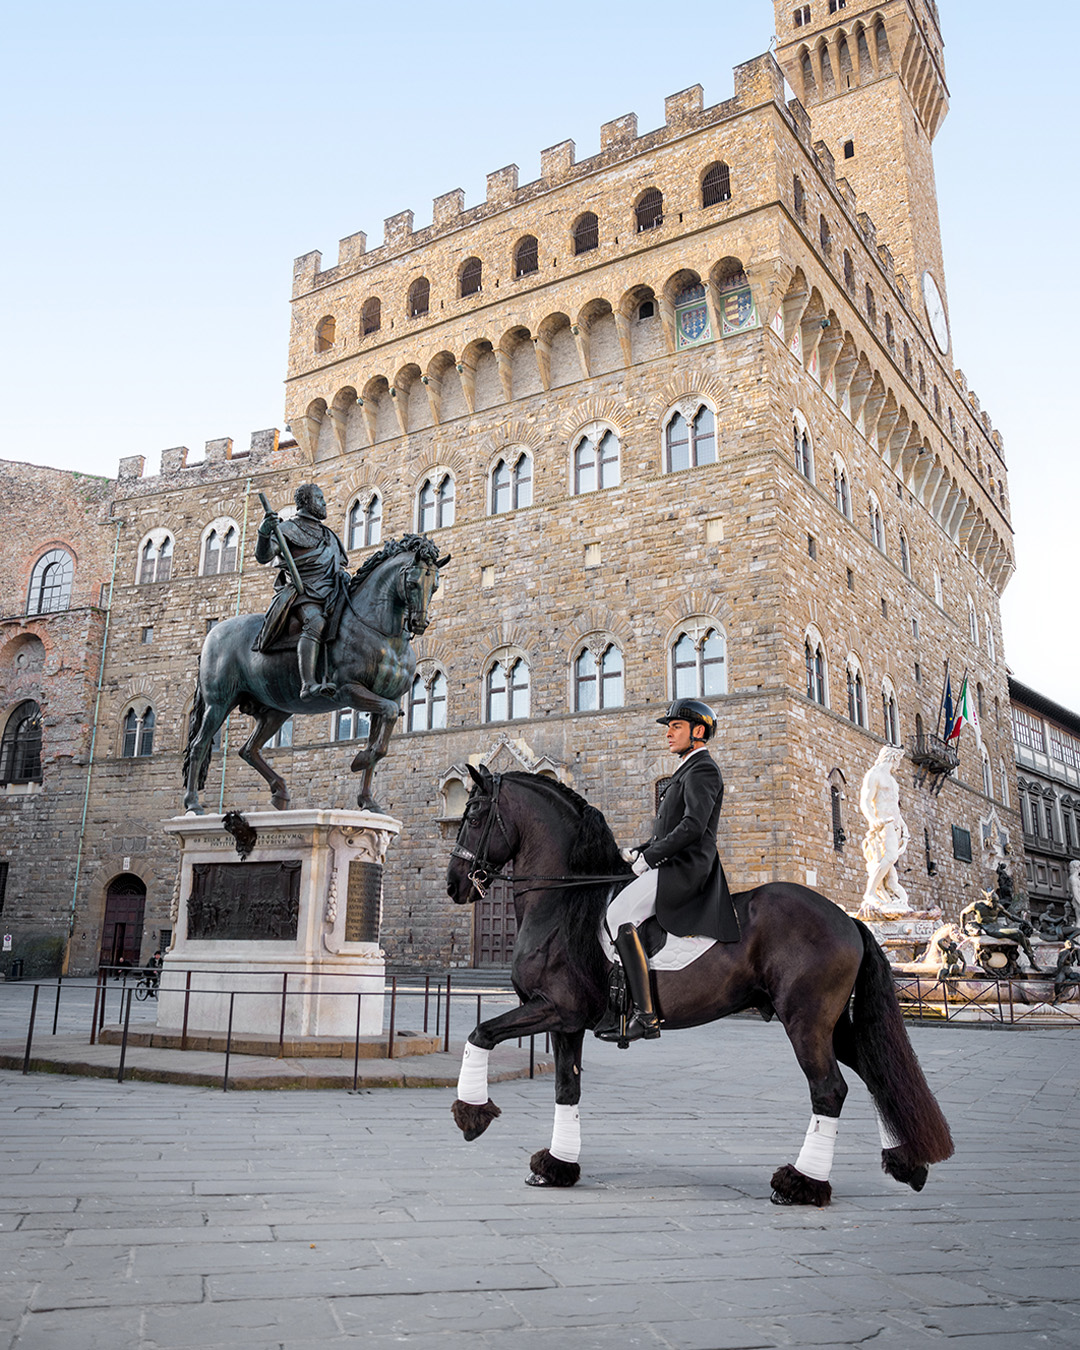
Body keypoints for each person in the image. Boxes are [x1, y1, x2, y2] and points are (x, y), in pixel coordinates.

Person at [594, 698, 739, 1046]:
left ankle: (645, 1016)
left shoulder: (703, 769)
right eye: (669, 728)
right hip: (671, 861)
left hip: (686, 867)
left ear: (698, 731)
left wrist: (650, 858)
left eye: (676, 727)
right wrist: (640, 850)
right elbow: (669, 830)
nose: (669, 734)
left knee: (618, 914)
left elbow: (692, 827)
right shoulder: (686, 770)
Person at [252, 483, 351, 700]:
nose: (324, 503)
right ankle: (308, 684)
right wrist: (264, 533)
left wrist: (342, 576)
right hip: (303, 593)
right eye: (319, 498)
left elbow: (338, 565)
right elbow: (264, 556)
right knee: (316, 622)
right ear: (306, 502)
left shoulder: (329, 535)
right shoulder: (288, 529)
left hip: (332, 592)